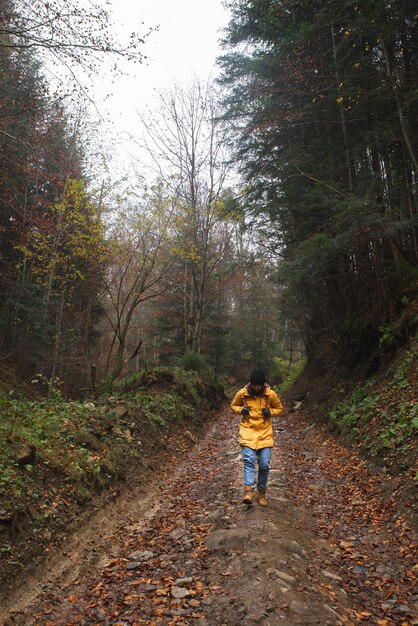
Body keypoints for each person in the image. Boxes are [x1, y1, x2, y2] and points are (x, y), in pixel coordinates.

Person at [230, 369, 283, 506]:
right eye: (254, 385)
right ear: (251, 383)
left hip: (265, 433)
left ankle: (262, 492)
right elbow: (233, 405)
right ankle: (248, 491)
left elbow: (280, 409)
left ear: (263, 384)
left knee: (264, 464)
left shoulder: (270, 395)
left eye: (259, 385)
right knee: (249, 461)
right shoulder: (243, 393)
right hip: (247, 431)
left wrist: (270, 412)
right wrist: (241, 410)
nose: (256, 388)